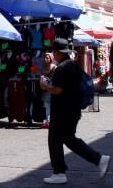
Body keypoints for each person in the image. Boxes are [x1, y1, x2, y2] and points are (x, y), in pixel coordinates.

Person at [40, 39, 110, 184]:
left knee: (54, 140)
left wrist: (45, 85)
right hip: (73, 110)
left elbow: (58, 90)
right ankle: (98, 159)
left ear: (57, 52)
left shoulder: (62, 68)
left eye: (53, 51)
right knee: (69, 139)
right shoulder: (73, 65)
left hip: (62, 111)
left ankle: (59, 172)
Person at [40, 53, 56, 129]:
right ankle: (47, 121)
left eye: (47, 58)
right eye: (45, 58)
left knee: (51, 106)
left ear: (51, 59)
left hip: (52, 89)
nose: (45, 59)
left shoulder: (54, 68)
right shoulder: (44, 68)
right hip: (45, 89)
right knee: (46, 106)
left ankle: (50, 121)